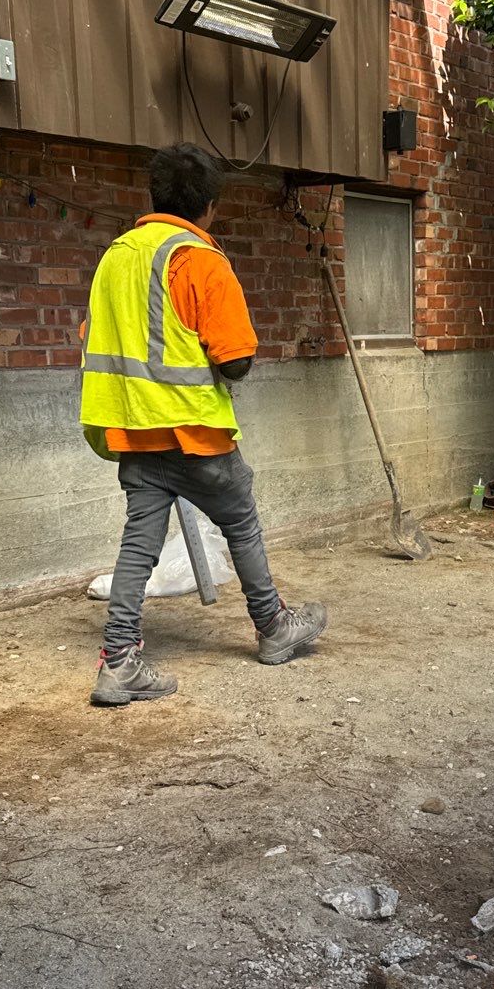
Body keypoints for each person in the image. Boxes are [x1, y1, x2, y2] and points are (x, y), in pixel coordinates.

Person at [80, 143, 327, 706]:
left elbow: (96, 338)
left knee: (137, 544)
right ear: (210, 206)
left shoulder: (115, 257)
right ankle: (272, 629)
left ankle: (118, 662)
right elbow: (235, 360)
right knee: (241, 523)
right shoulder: (198, 259)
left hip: (133, 431)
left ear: (155, 196)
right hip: (195, 434)